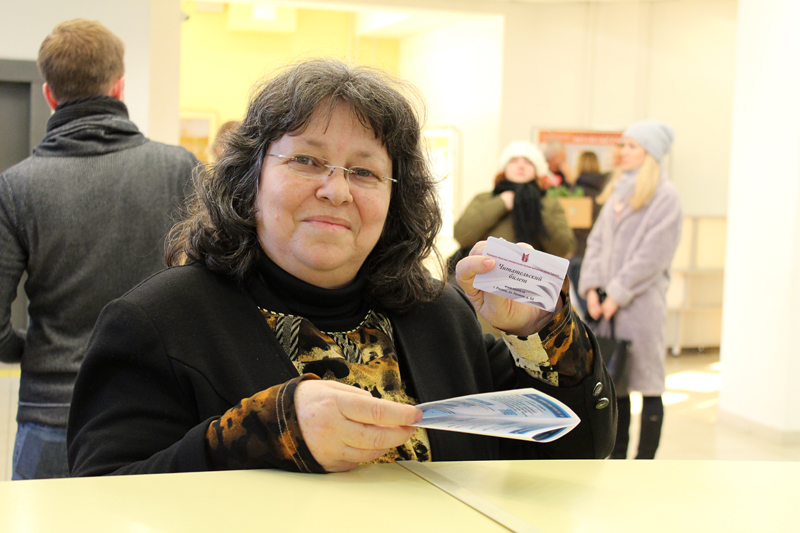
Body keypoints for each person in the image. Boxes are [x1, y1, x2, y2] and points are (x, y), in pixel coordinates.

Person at [67, 59, 616, 476]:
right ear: (250, 180)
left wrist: (542, 333)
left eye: (365, 171)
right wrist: (267, 431)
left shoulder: (439, 315)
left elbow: (578, 455)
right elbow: (103, 501)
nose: (336, 190)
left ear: (395, 199)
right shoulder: (159, 322)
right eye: (306, 160)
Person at [0, 19, 198, 479]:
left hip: (51, 411)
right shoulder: (179, 169)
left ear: (49, 94)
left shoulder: (15, 187)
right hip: (155, 410)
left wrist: (30, 351)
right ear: (119, 85)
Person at [579, 121, 682, 460]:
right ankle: (619, 456)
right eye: (622, 145)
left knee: (648, 383)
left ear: (650, 153)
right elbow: (595, 244)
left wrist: (616, 294)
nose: (623, 152)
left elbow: (653, 255)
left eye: (632, 146)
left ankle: (645, 459)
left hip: (641, 305)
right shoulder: (617, 191)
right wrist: (592, 290)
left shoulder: (665, 196)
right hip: (606, 305)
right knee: (616, 382)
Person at [454, 141, 575, 260]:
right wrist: (501, 203)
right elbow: (461, 236)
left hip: (530, 272)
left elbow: (563, 250)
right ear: (504, 168)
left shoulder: (550, 203)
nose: (521, 166)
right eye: (514, 161)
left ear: (536, 170)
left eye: (528, 162)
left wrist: (535, 208)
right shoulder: (484, 198)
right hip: (485, 269)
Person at [567, 150, 608, 317]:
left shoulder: (573, 194)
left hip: (577, 251)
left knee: (582, 305)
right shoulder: (606, 192)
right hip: (599, 255)